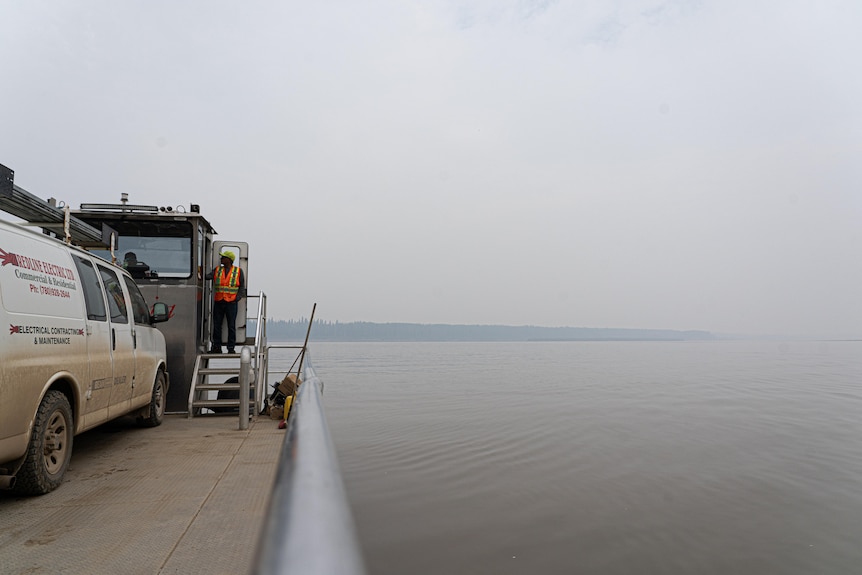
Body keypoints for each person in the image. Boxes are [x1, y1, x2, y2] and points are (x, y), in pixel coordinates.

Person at [210, 250, 245, 354]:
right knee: (217, 325)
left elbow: (242, 286)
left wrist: (237, 298)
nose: (221, 259)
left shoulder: (238, 271)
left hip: (231, 303)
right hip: (219, 301)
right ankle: (217, 347)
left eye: (223, 257)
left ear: (229, 260)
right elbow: (207, 276)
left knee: (231, 326)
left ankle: (231, 348)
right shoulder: (217, 270)